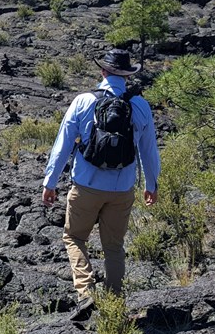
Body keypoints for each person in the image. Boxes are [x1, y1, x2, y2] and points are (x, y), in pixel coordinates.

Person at [41, 49, 160, 312]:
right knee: (114, 247)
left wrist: (50, 182)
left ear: (102, 71)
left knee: (74, 237)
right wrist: (151, 185)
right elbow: (148, 150)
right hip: (122, 190)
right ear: (127, 76)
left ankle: (86, 293)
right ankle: (115, 303)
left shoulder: (83, 101)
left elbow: (62, 146)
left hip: (86, 187)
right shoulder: (140, 105)